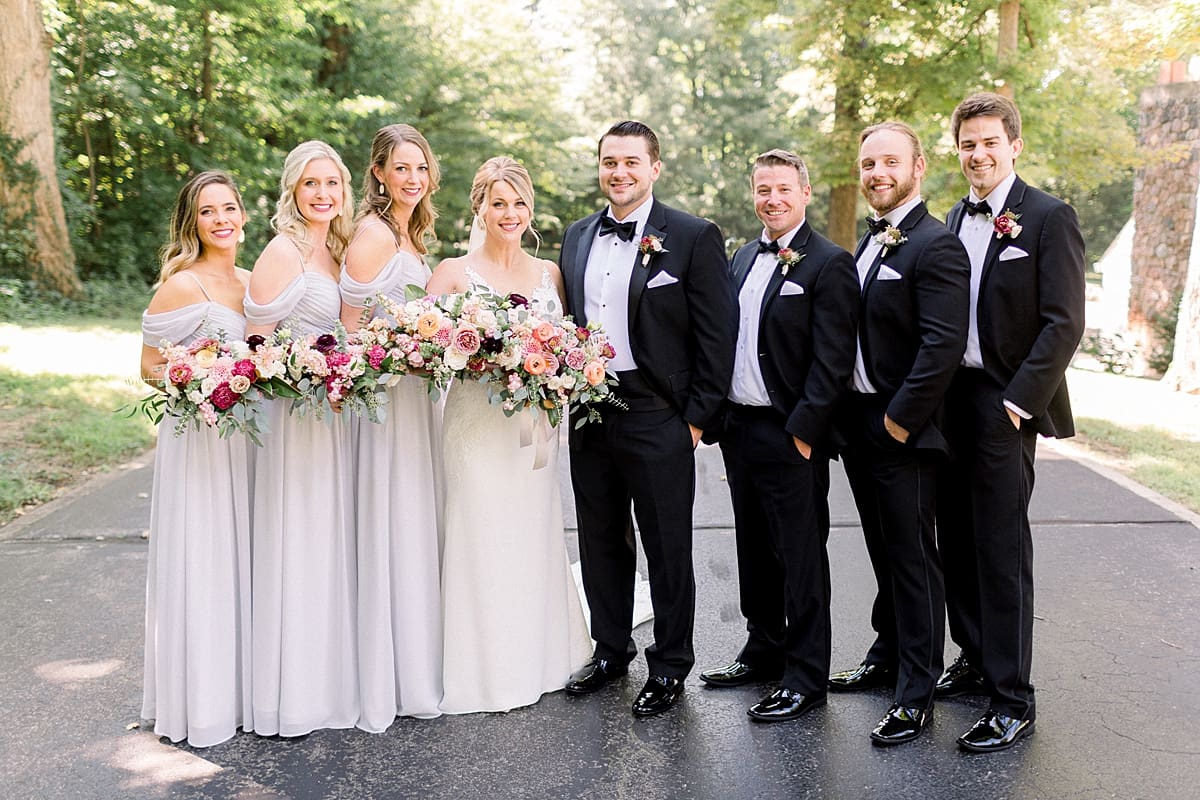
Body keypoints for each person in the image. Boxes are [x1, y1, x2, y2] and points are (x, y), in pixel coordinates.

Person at [559, 120, 738, 717]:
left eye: (632, 162)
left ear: (654, 167)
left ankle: (669, 664)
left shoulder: (691, 236)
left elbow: (718, 334)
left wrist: (694, 421)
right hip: (590, 407)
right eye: (610, 161)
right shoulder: (578, 236)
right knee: (601, 536)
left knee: (666, 544)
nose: (620, 172)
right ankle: (611, 650)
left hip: (659, 411)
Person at [936, 92, 1085, 753]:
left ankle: (1011, 699)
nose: (979, 153)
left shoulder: (1048, 218)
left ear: (1014, 145)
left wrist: (1017, 402)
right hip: (948, 403)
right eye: (968, 143)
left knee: (1000, 551)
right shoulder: (948, 218)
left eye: (990, 142)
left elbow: (1064, 322)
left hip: (1005, 403)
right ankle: (973, 656)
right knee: (957, 545)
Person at [424, 156, 592, 714]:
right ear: (480, 207)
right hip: (475, 427)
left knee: (529, 532)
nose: (510, 213)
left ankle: (540, 656)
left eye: (519, 203)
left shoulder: (551, 276)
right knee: (479, 530)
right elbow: (425, 355)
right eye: (499, 202)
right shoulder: (451, 273)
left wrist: (551, 369)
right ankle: (484, 667)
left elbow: (566, 344)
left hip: (534, 430)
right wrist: (485, 358)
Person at [698, 150, 859, 724]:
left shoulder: (829, 263)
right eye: (763, 189)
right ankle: (762, 649)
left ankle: (806, 674)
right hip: (741, 428)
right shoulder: (741, 257)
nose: (773, 199)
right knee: (754, 550)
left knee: (800, 556)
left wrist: (806, 431)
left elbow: (834, 357)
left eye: (784, 189)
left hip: (792, 433)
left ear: (806, 193)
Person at [827, 121, 970, 746]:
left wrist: (897, 421)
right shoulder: (872, 241)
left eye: (889, 161)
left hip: (902, 429)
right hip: (859, 424)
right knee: (885, 554)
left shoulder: (935, 245)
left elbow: (942, 346)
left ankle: (916, 694)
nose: (876, 173)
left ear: (919, 167)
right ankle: (887, 655)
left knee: (913, 561)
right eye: (867, 163)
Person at [244, 140, 359, 736]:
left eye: (332, 183)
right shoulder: (280, 251)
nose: (322, 194)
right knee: (298, 535)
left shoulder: (337, 249)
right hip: (292, 415)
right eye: (311, 183)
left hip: (335, 413)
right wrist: (304, 373)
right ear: (293, 190)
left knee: (329, 535)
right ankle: (290, 688)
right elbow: (255, 342)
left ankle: (328, 673)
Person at [140, 170, 255, 746]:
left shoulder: (255, 282)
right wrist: (199, 376)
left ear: (243, 214)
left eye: (229, 208)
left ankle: (242, 688)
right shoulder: (182, 286)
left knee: (246, 560)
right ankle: (203, 697)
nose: (222, 220)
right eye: (208, 212)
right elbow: (151, 368)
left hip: (251, 443)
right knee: (207, 555)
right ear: (193, 223)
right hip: (203, 440)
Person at [340, 124, 444, 730]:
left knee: (414, 514)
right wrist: (398, 353)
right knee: (391, 514)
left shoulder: (410, 230)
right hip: (383, 397)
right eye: (400, 168)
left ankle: (416, 645)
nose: (412, 178)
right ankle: (388, 665)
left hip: (414, 393)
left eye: (420, 168)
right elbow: (349, 326)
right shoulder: (374, 234)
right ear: (378, 173)